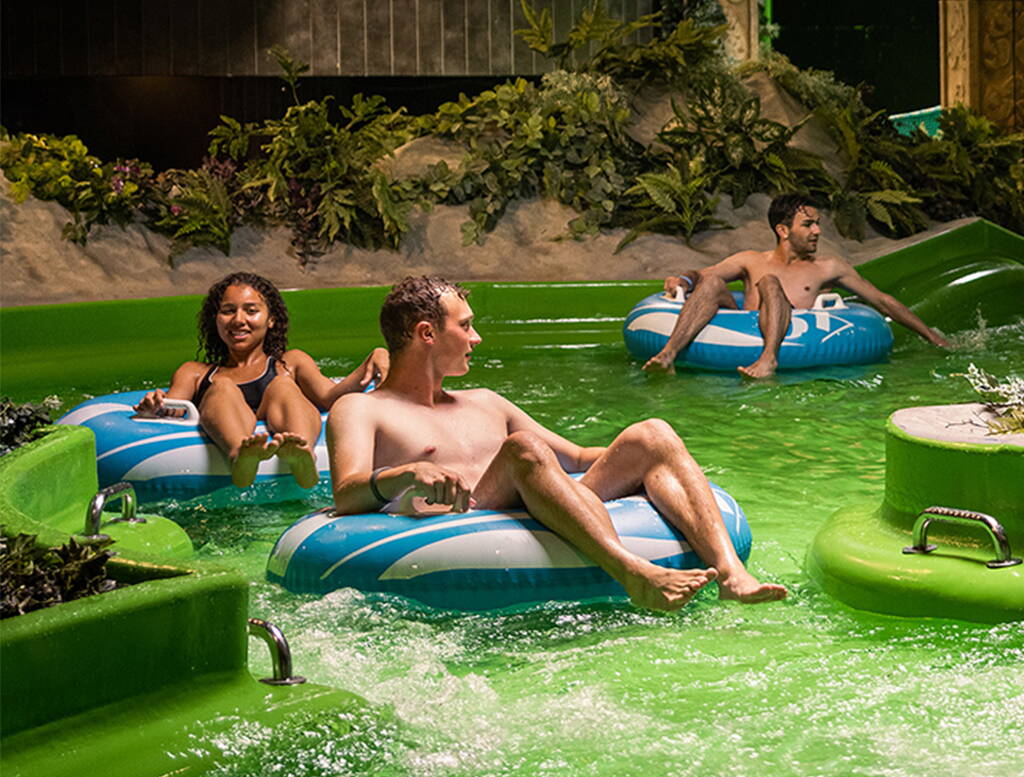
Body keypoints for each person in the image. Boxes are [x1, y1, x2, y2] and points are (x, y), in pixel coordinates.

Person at [326, 276, 787, 612]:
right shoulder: (362, 409)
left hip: (536, 499)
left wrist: (651, 453)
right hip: (463, 519)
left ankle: (733, 575)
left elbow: (576, 459)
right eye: (465, 326)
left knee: (653, 432)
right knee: (523, 448)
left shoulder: (486, 401)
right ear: (427, 333)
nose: (476, 338)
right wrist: (404, 475)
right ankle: (634, 573)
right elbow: (345, 493)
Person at [641, 194, 951, 378]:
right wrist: (682, 279)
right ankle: (668, 355)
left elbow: (881, 301)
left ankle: (768, 359)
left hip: (794, 338)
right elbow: (702, 274)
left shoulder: (828, 268)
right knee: (712, 282)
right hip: (742, 327)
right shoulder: (751, 260)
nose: (817, 231)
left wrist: (932, 336)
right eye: (808, 224)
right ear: (783, 230)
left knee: (770, 284)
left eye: (817, 224)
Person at [134, 272, 389, 489]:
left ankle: (302, 453)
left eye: (251, 311)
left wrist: (374, 358)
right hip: (228, 420)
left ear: (271, 319)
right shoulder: (195, 372)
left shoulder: (290, 363)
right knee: (222, 386)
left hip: (282, 414)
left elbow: (331, 398)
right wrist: (153, 407)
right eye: (228, 311)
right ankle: (240, 456)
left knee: (283, 385)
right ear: (216, 320)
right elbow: (174, 410)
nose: (238, 320)